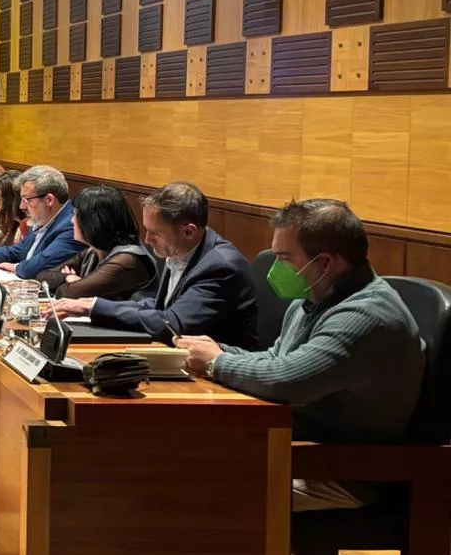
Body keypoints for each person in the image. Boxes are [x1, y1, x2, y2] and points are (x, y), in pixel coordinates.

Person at [178, 199, 424, 512]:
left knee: (188, 488)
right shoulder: (312, 298)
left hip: (342, 472)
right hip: (294, 448)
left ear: (325, 263)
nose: (275, 268)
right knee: (176, 460)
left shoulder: (367, 315)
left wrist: (216, 361)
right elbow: (276, 359)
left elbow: (286, 381)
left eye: (284, 257)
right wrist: (215, 350)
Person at [48, 181, 259, 346]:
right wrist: (89, 305)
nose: (147, 240)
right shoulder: (181, 251)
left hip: (219, 381)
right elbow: (156, 306)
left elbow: (172, 323)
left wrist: (93, 307)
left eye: (155, 233)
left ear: (189, 231)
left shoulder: (220, 267)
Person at [47, 185, 157, 299]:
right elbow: (43, 277)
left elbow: (67, 293)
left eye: (76, 214)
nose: (71, 220)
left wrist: (71, 283)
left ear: (94, 222)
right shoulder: (94, 250)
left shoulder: (128, 260)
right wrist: (69, 278)